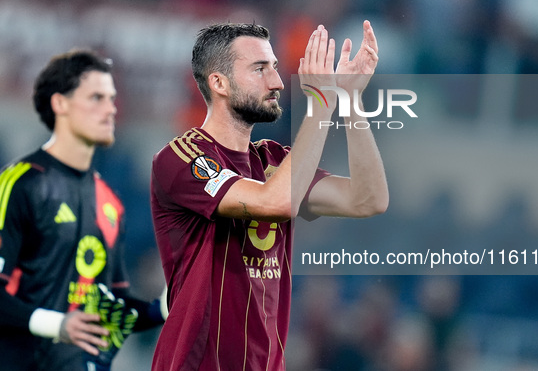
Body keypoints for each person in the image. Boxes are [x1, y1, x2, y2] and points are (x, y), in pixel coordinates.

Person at [150, 20, 388, 370]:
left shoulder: (276, 160)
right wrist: (321, 103)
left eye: (275, 67)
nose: (277, 81)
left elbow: (368, 199)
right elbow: (274, 203)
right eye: (260, 69)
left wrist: (349, 100)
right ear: (219, 83)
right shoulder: (182, 158)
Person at [0, 50, 167, 371]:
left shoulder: (109, 202)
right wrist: (58, 325)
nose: (110, 109)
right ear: (60, 104)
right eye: (96, 98)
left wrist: (161, 309)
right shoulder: (20, 183)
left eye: (112, 98)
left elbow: (109, 306)